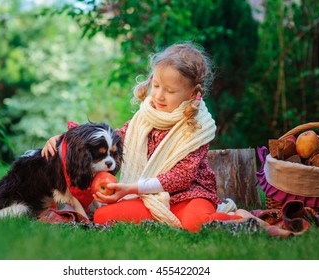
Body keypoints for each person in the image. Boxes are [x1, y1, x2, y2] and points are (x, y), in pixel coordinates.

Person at [41, 42, 242, 232]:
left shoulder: (196, 125)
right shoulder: (145, 117)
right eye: (156, 86)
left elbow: (181, 177)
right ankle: (167, 217)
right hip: (149, 198)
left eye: (170, 91)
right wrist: (66, 138)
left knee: (196, 224)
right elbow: (115, 137)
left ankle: (242, 218)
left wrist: (131, 188)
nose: (159, 96)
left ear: (191, 94)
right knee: (103, 216)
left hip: (189, 196)